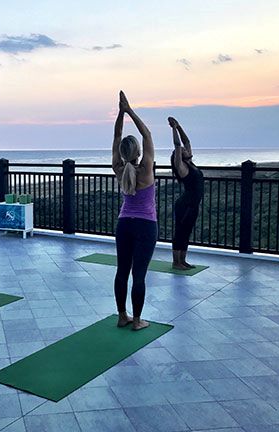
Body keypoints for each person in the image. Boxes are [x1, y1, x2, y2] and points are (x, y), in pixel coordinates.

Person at [111, 91, 158, 331]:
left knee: (122, 271)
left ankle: (122, 316)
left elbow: (117, 135)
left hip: (124, 224)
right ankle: (137, 320)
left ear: (121, 153)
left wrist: (120, 113)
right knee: (138, 275)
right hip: (145, 225)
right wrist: (129, 110)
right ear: (138, 152)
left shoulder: (119, 169)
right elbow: (147, 134)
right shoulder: (146, 168)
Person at [168, 116, 204, 270]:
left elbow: (186, 141)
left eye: (184, 150)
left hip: (193, 205)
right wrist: (173, 129)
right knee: (180, 232)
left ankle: (183, 260)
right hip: (185, 205)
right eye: (181, 150)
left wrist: (179, 125)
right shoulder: (181, 167)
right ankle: (176, 262)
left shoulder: (190, 163)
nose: (184, 148)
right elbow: (177, 144)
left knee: (187, 232)